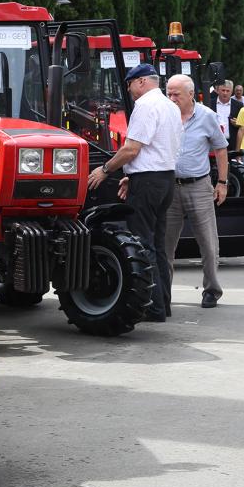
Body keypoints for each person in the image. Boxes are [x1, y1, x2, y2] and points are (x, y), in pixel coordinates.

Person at [89, 63, 182, 322]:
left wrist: (105, 170)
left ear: (141, 82)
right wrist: (134, 173)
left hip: (149, 182)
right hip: (165, 179)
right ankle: (163, 304)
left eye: (130, 85)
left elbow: (131, 149)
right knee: (159, 244)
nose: (129, 92)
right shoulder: (170, 107)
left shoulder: (145, 106)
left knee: (143, 243)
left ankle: (152, 308)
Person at [160, 74, 228, 309]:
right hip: (170, 187)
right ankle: (163, 293)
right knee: (165, 244)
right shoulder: (164, 115)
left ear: (191, 94)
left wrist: (222, 182)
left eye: (176, 94)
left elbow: (220, 149)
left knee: (208, 243)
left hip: (199, 186)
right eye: (168, 93)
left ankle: (211, 290)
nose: (171, 98)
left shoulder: (207, 116)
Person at [212, 81, 244, 151]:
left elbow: (243, 126)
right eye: (223, 90)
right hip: (214, 142)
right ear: (218, 90)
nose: (225, 93)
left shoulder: (238, 105)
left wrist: (238, 123)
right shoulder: (210, 104)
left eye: (227, 91)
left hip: (232, 143)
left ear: (231, 92)